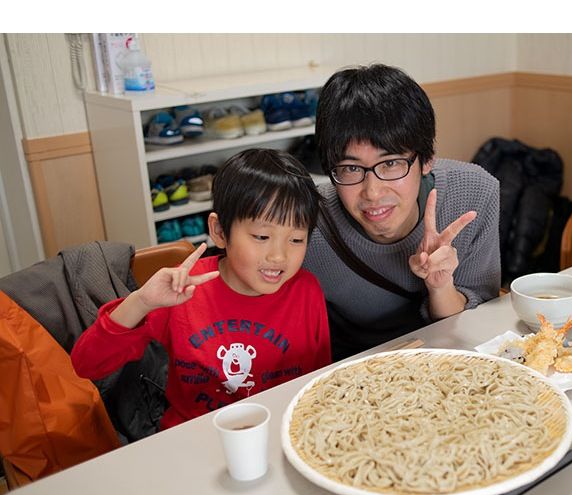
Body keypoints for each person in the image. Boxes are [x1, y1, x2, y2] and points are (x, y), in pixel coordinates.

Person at [71, 149, 331, 430]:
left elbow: (317, 387)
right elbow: (87, 365)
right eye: (261, 236)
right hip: (193, 437)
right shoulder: (183, 290)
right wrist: (142, 302)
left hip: (282, 432)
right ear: (219, 231)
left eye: (296, 239)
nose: (279, 256)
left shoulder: (306, 290)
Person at [304, 64, 501, 361]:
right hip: (351, 378)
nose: (372, 192)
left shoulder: (473, 194)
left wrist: (441, 286)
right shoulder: (305, 223)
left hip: (451, 363)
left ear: (426, 159)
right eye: (350, 168)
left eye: (391, 164)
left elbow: (478, 325)